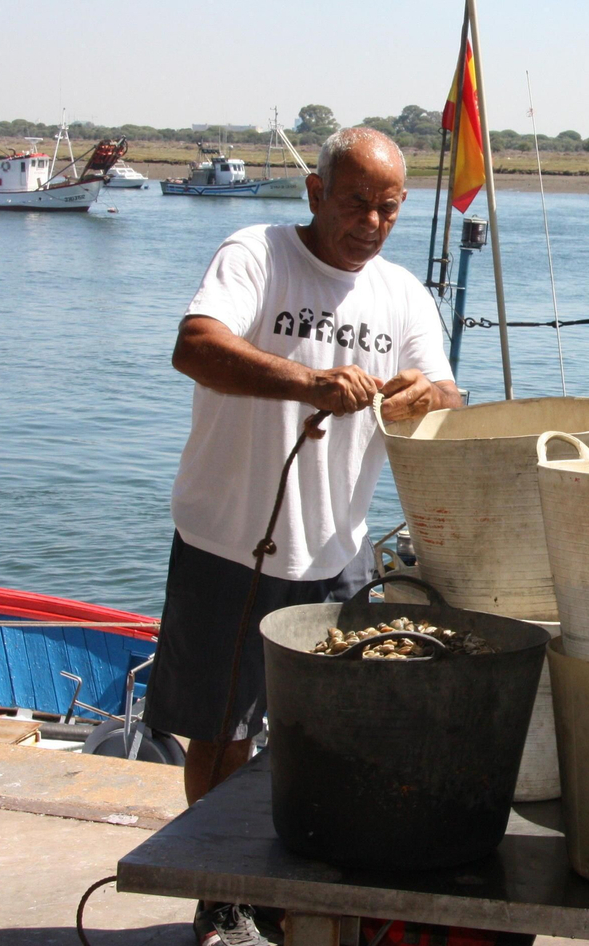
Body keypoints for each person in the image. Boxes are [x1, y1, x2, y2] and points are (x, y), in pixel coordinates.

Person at [144, 126, 460, 946]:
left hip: (338, 552)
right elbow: (197, 347)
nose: (373, 220)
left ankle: (305, 891)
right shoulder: (256, 253)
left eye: (390, 206)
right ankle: (223, 897)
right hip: (227, 542)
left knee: (335, 735)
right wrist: (310, 381)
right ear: (315, 193)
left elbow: (450, 397)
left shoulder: (403, 294)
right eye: (356, 201)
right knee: (223, 731)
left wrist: (423, 397)